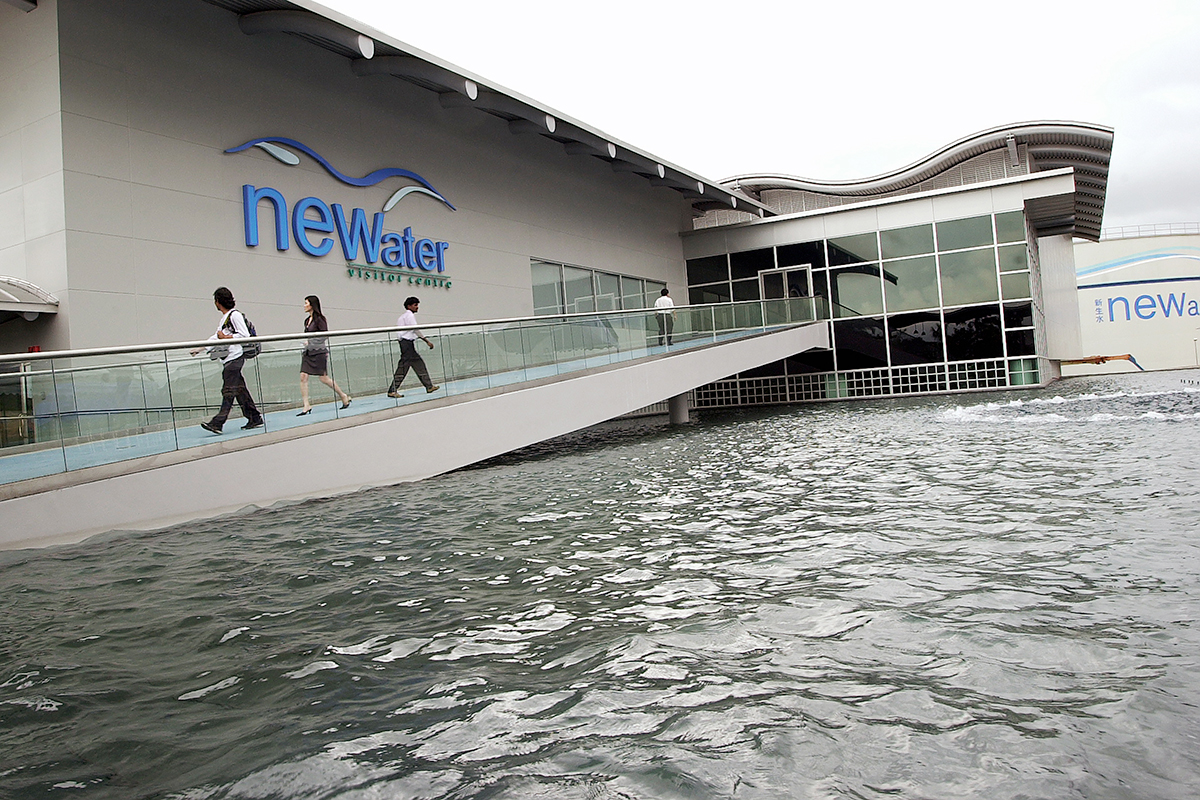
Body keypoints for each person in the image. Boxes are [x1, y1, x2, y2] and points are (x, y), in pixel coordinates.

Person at [191, 287, 264, 434]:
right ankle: (254, 417)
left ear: (218, 302)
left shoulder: (234, 315)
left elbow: (244, 335)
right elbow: (216, 337)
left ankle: (218, 422)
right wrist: (200, 348)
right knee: (240, 390)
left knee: (228, 390)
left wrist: (226, 338)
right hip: (230, 358)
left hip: (235, 357)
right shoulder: (225, 318)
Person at [297, 295, 351, 415]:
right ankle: (306, 404)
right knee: (303, 376)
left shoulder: (320, 319)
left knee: (324, 378)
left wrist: (310, 342)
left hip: (318, 352)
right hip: (308, 352)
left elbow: (324, 335)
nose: (304, 306)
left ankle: (343, 395)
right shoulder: (307, 321)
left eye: (306, 303)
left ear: (312, 305)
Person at [386, 296, 439, 398]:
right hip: (407, 344)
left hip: (405, 343)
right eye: (415, 305)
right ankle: (392, 390)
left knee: (419, 364)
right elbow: (415, 329)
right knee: (403, 368)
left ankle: (429, 386)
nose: (417, 307)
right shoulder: (409, 316)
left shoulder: (402, 317)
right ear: (409, 306)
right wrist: (426, 341)